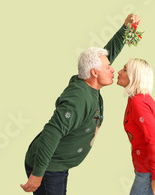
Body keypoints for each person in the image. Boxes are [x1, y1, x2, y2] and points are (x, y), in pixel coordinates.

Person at [21, 14, 139, 195]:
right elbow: (51, 132)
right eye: (108, 67)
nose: (113, 68)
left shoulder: (88, 82)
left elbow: (108, 53)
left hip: (57, 164)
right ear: (94, 72)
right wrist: (38, 175)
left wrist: (125, 29)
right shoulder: (79, 99)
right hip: (48, 167)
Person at [115, 58, 155, 195]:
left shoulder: (138, 103)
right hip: (154, 166)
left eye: (124, 70)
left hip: (153, 169)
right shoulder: (136, 99)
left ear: (134, 76)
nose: (119, 72)